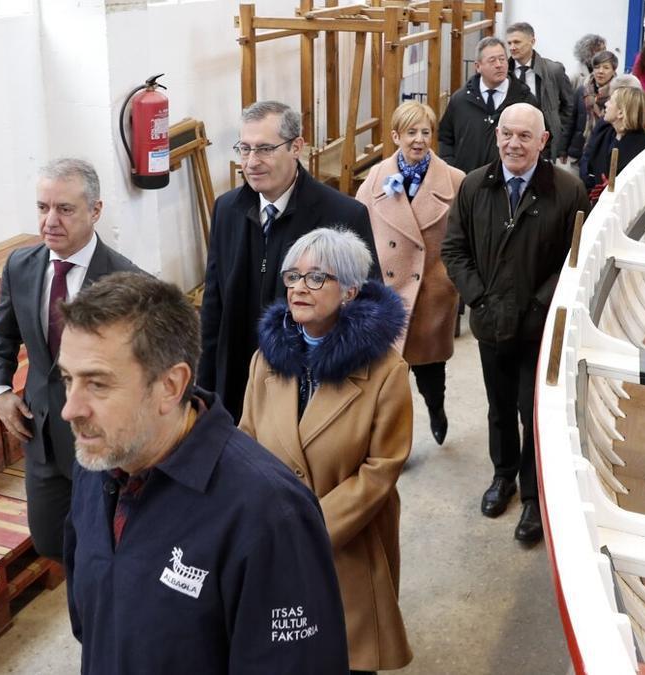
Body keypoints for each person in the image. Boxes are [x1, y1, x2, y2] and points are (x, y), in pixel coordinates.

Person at [60, 272, 348, 674]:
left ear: (170, 385)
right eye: (67, 380)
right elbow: (91, 622)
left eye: (97, 384)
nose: (70, 409)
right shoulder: (97, 466)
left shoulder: (269, 514)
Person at [239, 229, 412, 674]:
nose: (298, 287)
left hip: (345, 542)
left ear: (350, 291)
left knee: (344, 656)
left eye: (316, 278)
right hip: (272, 544)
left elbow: (381, 470)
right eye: (292, 275)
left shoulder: (386, 373)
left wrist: (309, 528)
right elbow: (244, 444)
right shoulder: (266, 360)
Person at [441, 104, 590, 543]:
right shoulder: (474, 186)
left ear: (543, 141)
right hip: (490, 322)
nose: (513, 144)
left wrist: (538, 306)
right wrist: (478, 297)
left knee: (532, 410)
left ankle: (532, 496)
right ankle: (502, 475)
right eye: (506, 134)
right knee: (500, 408)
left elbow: (573, 260)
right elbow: (453, 249)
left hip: (537, 328)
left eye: (525, 136)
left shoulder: (566, 191)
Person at [0, 158, 140, 560]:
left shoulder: (128, 284)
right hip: (41, 440)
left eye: (65, 209)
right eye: (42, 207)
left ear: (96, 211)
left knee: (107, 550)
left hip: (103, 445)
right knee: (52, 544)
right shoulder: (21, 267)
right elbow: (1, 333)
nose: (50, 220)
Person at [199, 100, 380, 422]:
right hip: (239, 384)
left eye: (265, 149)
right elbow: (214, 307)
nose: (251, 162)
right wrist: (204, 389)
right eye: (244, 149)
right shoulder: (227, 210)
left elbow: (367, 311)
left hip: (309, 388)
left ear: (296, 146)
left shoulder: (343, 216)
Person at [355, 101, 464, 445]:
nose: (419, 140)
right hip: (387, 296)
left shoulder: (455, 181)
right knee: (388, 380)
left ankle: (436, 408)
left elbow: (464, 239)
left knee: (430, 373)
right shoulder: (377, 177)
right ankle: (394, 441)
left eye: (425, 132)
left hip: (431, 294)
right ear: (395, 136)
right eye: (411, 132)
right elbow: (357, 229)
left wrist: (451, 281)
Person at [438, 36, 540, 173]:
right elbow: (445, 138)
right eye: (492, 60)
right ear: (478, 66)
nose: (499, 64)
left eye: (502, 59)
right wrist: (450, 167)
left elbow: (541, 139)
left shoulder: (524, 100)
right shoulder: (460, 100)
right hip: (466, 182)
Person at [506, 22, 576, 163]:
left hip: (545, 147)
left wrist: (558, 134)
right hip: (511, 145)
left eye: (517, 42)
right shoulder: (504, 73)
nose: (512, 47)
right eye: (509, 43)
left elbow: (569, 107)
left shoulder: (553, 71)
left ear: (532, 41)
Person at [581, 86, 645, 202]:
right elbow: (589, 162)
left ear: (621, 112)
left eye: (610, 101)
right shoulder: (606, 132)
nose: (606, 104)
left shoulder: (644, 146)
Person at [564, 50, 618, 164]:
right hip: (578, 151)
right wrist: (563, 150)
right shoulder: (582, 90)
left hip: (603, 152)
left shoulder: (618, 94)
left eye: (606, 67)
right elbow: (570, 121)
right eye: (597, 67)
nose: (600, 71)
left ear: (614, 71)